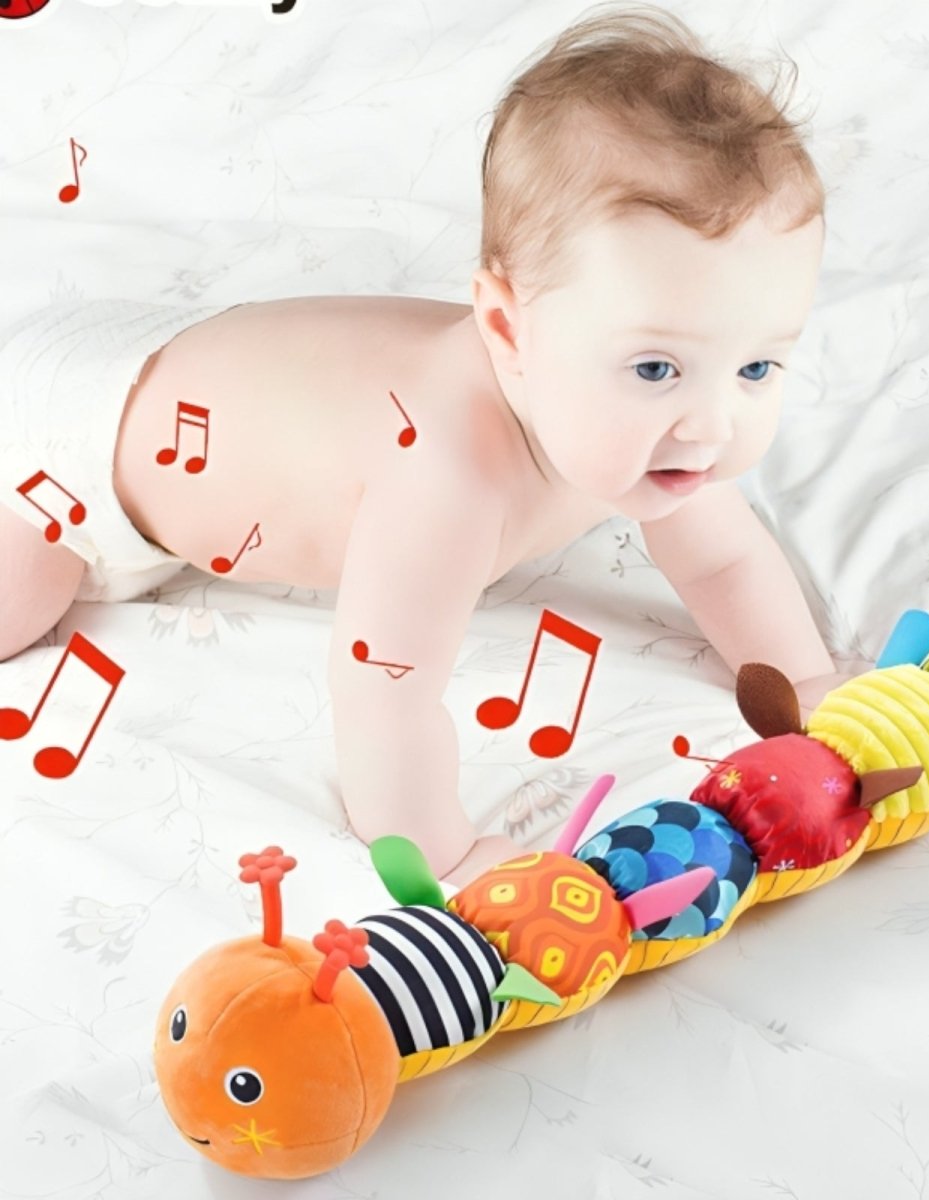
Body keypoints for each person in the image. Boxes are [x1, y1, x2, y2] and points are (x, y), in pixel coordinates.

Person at [0, 4, 865, 885]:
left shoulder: (639, 421)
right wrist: (440, 854)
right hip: (74, 446)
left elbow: (723, 564)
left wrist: (810, 681)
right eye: (655, 369)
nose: (714, 424)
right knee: (20, 604)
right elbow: (383, 689)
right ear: (506, 328)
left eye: (758, 367)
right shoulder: (447, 479)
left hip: (195, 358)